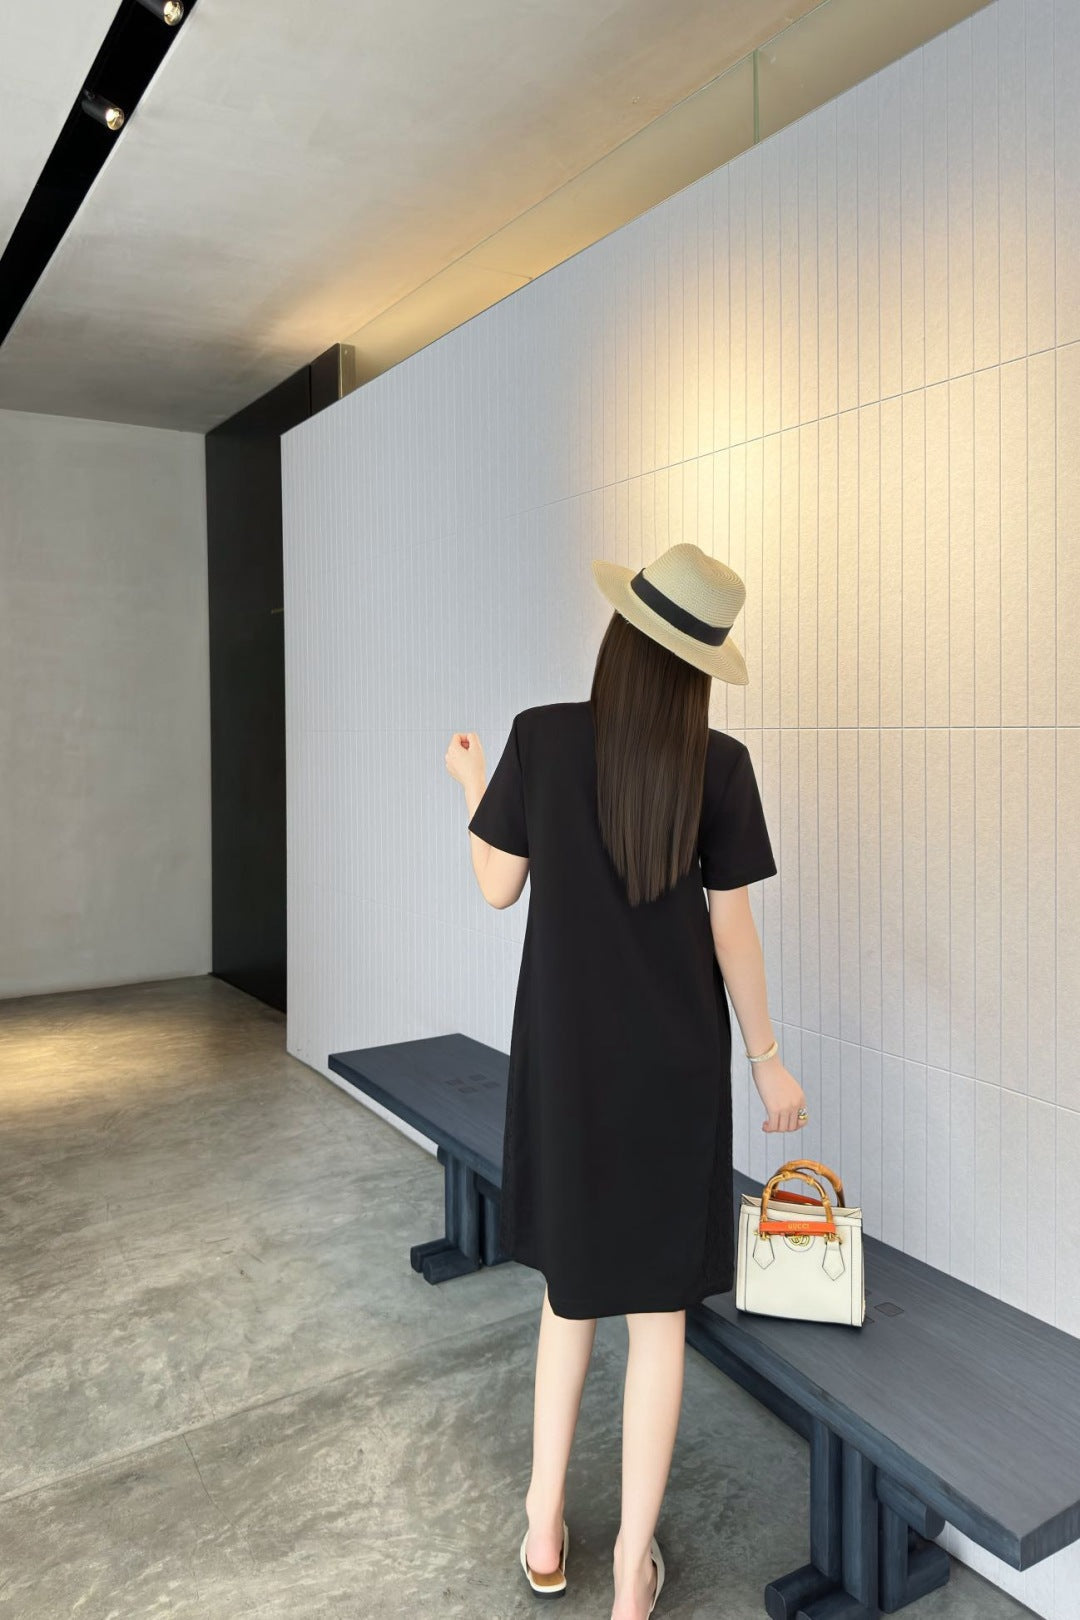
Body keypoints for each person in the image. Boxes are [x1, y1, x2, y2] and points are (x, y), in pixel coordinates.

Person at [445, 542, 808, 1620]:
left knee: (570, 1299)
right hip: (675, 1072)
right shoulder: (721, 764)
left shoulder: (542, 738)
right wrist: (768, 1061)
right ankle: (631, 1573)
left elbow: (497, 888)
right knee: (659, 1319)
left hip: (568, 1068)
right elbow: (733, 932)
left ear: (620, 635)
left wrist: (472, 783)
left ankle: (543, 1527)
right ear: (699, 669)